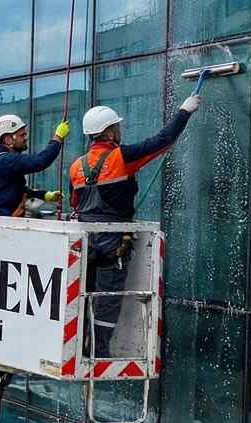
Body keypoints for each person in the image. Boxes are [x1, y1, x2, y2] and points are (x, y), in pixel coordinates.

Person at [68, 96, 199, 357]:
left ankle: (81, 343)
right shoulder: (121, 157)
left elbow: (76, 203)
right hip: (111, 243)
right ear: (108, 132)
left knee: (85, 294)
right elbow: (162, 141)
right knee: (108, 299)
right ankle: (98, 349)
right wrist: (184, 111)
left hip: (85, 241)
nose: (120, 130)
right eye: (116, 126)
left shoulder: (76, 166)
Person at [0, 114, 70, 217]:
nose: (26, 138)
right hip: (4, 224)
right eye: (22, 135)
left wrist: (44, 195)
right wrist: (58, 138)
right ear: (8, 140)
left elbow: (13, 189)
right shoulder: (7, 160)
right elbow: (40, 161)